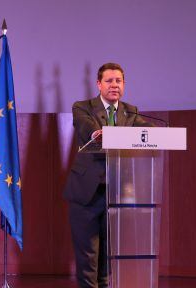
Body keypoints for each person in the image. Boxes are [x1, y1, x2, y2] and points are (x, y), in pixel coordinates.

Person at [63, 62, 151, 288]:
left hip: (117, 193)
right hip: (86, 193)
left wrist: (157, 135)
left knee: (107, 258)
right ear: (98, 84)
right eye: (109, 81)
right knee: (88, 258)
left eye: (118, 81)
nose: (114, 85)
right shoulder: (82, 107)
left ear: (124, 85)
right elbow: (86, 128)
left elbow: (146, 133)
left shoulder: (130, 111)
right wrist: (98, 133)